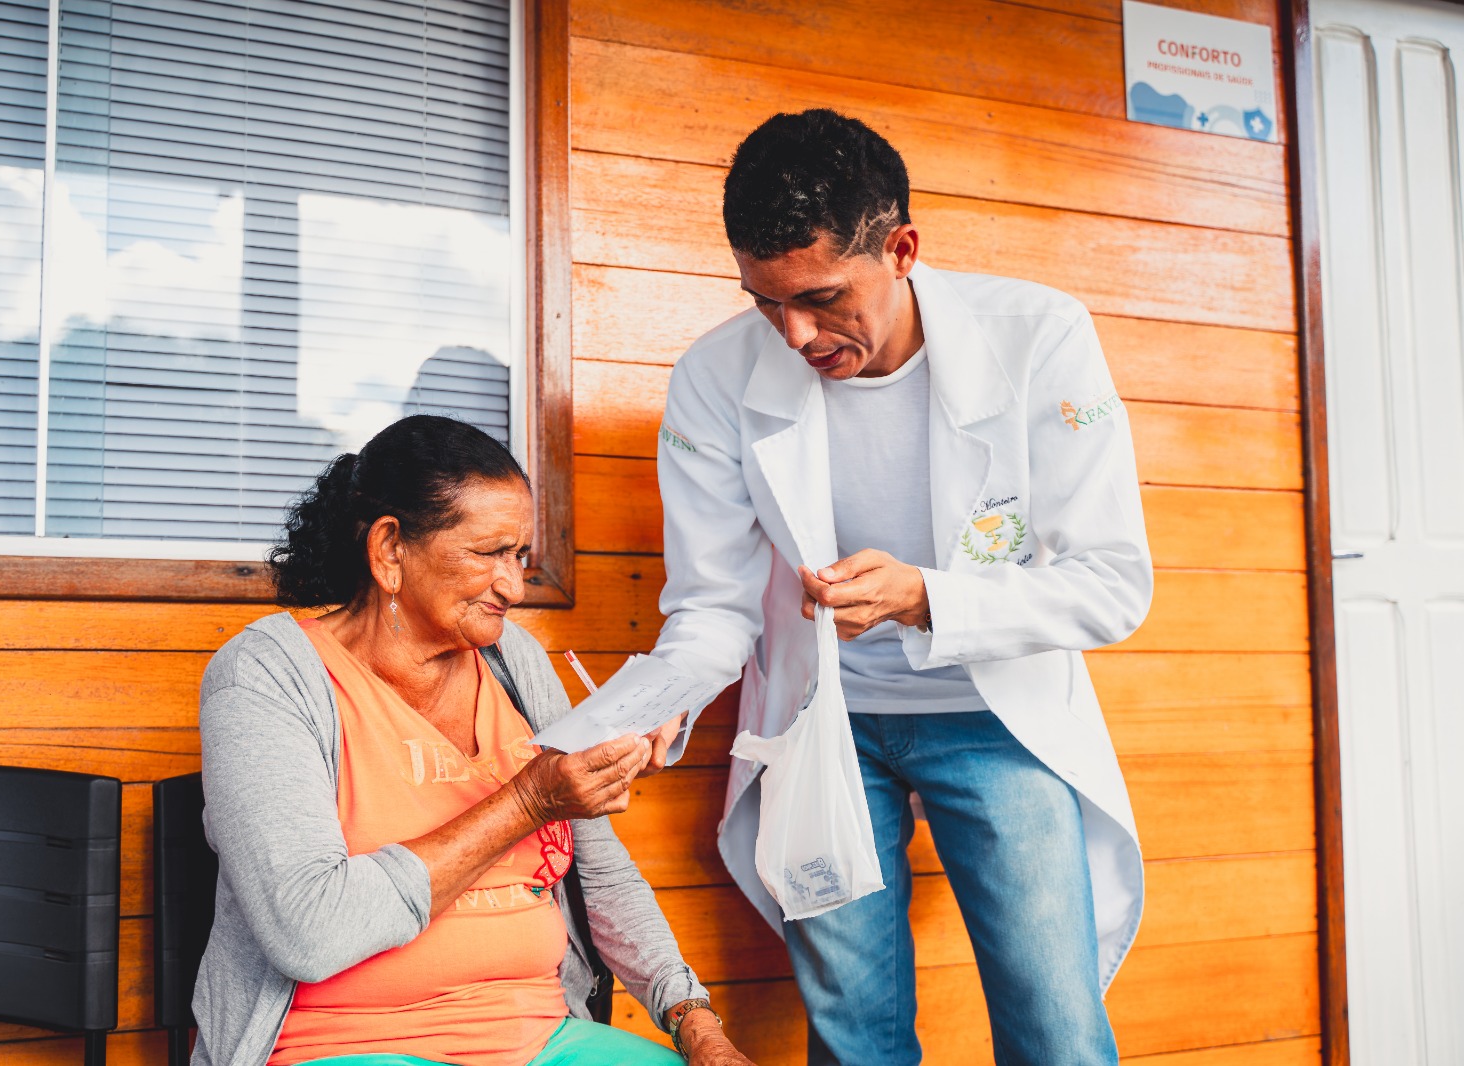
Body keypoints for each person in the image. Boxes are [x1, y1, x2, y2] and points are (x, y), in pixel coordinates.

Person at [640, 110, 1154, 1064]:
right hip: (823, 726)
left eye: (823, 297)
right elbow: (712, 602)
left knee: (1056, 1029)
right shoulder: (713, 375)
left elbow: (1111, 584)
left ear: (902, 249)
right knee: (854, 1037)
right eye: (766, 302)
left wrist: (926, 596)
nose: (796, 334)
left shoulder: (1039, 336)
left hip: (997, 718)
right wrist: (658, 702)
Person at [192, 415, 755, 1066]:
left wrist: (694, 1021)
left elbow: (603, 877)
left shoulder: (516, 662)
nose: (514, 586)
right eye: (489, 554)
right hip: (343, 1044)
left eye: (520, 557)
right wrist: (528, 802)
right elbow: (307, 932)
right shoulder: (267, 675)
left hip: (541, 1040)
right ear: (390, 550)